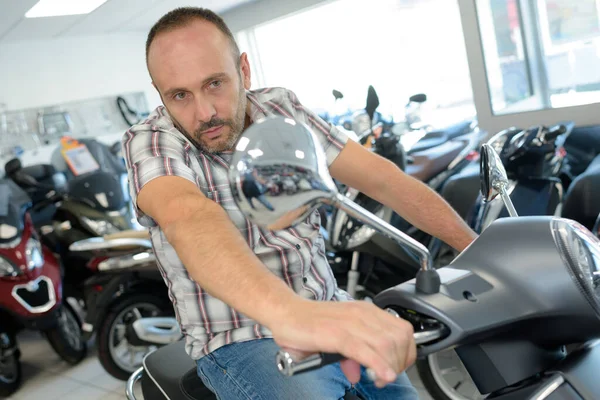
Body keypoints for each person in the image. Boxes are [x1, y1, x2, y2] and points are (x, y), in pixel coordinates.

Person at [122, 7, 478, 399]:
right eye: (180, 95)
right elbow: (187, 216)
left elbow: (383, 179)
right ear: (161, 95)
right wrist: (294, 316)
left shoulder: (281, 110)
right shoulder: (153, 140)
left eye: (214, 84)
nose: (204, 112)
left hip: (330, 312)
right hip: (241, 340)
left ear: (243, 71)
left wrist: (476, 250)